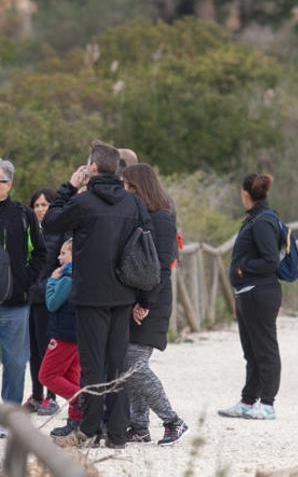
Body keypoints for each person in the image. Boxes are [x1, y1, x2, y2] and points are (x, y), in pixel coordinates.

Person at [43, 140, 140, 449]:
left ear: (92, 168)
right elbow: (144, 250)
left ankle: (88, 429)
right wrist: (145, 297)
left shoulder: (84, 202)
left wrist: (69, 187)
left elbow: (52, 222)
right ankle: (117, 433)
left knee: (92, 365)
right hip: (123, 294)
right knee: (118, 364)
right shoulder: (132, 203)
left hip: (90, 295)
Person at [0, 157, 46, 435]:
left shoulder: (23, 214)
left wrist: (25, 282)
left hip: (16, 302)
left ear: (9, 184)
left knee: (16, 362)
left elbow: (41, 253)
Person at [121, 164, 188, 445]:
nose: (123, 190)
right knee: (132, 363)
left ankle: (172, 420)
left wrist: (145, 302)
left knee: (133, 363)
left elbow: (160, 267)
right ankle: (139, 426)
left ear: (139, 188)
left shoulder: (161, 219)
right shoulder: (141, 215)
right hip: (138, 299)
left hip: (153, 300)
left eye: (127, 185)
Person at [218, 174, 283, 420]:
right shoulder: (255, 218)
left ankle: (267, 403)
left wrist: (242, 267)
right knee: (251, 351)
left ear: (245, 193)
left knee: (265, 349)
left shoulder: (263, 221)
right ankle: (248, 400)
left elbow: (270, 260)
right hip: (248, 293)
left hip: (260, 292)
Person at [38, 239, 82, 438]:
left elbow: (52, 303)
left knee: (46, 375)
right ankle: (77, 420)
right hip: (77, 334)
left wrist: (52, 281)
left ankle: (83, 399)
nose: (59, 257)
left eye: (64, 253)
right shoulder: (82, 274)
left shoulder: (67, 277)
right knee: (73, 377)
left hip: (64, 334)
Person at [26, 188, 60, 416]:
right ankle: (36, 394)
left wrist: (43, 287)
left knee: (49, 348)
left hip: (50, 299)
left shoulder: (59, 234)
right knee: (34, 349)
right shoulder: (27, 232)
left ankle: (52, 396)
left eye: (44, 205)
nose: (40, 209)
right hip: (30, 298)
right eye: (36, 205)